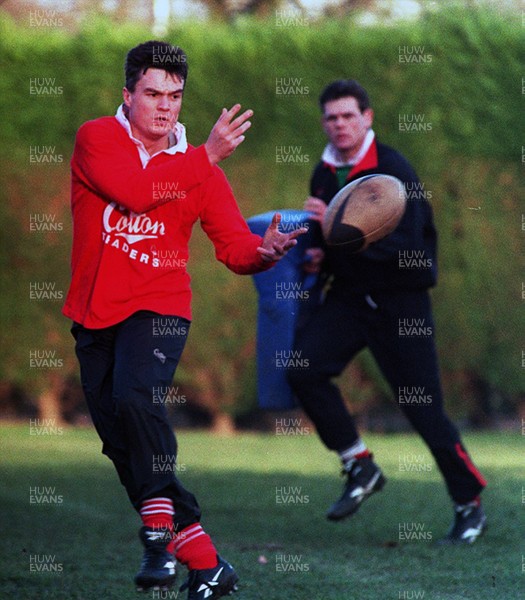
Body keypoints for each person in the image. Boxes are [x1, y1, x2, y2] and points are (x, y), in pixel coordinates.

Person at [63, 40, 305, 598]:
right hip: (94, 313)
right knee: (120, 440)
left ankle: (157, 532)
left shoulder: (202, 170)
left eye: (174, 95)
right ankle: (204, 560)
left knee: (135, 398)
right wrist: (206, 157)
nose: (165, 106)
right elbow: (134, 191)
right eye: (152, 93)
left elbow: (232, 247)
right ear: (128, 95)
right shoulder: (96, 137)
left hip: (160, 309)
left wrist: (261, 253)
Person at [287, 79, 487, 544]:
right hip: (351, 300)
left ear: (367, 117)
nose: (339, 125)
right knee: (303, 369)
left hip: (401, 304)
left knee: (423, 409)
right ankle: (359, 465)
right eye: (331, 118)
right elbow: (327, 241)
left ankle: (469, 503)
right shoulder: (323, 171)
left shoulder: (393, 170)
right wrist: (316, 249)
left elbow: (409, 250)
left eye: (348, 116)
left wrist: (337, 231)